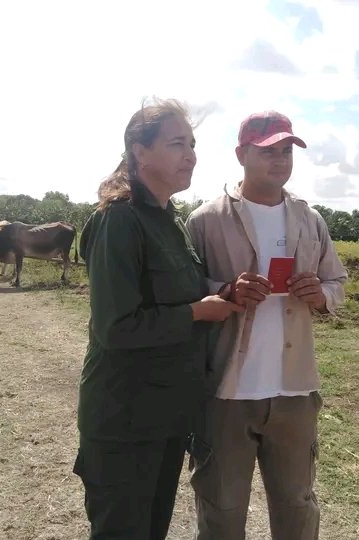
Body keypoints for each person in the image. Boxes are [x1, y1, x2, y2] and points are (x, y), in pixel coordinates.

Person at [73, 99, 243, 540]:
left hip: (167, 414)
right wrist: (197, 311)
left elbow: (176, 299)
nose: (191, 155)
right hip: (125, 419)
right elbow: (116, 327)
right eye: (177, 144)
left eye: (192, 144)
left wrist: (217, 297)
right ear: (140, 151)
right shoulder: (119, 221)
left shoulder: (171, 221)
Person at [186, 111, 348, 540]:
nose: (280, 160)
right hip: (227, 391)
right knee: (221, 510)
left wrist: (322, 294)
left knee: (297, 506)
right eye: (267, 151)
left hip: (295, 391)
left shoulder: (309, 219)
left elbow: (338, 281)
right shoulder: (206, 220)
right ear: (241, 154)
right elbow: (183, 291)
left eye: (286, 151)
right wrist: (225, 291)